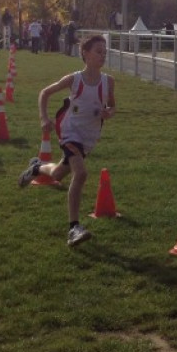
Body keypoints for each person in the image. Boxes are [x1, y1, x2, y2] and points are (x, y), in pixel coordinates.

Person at [18, 35, 117, 247]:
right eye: (98, 51)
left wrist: (109, 112)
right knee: (80, 173)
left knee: (58, 174)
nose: (103, 55)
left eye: (105, 51)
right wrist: (44, 118)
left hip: (89, 136)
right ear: (86, 54)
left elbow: (112, 106)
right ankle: (74, 228)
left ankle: (37, 168)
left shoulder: (109, 82)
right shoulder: (75, 79)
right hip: (69, 130)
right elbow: (44, 93)